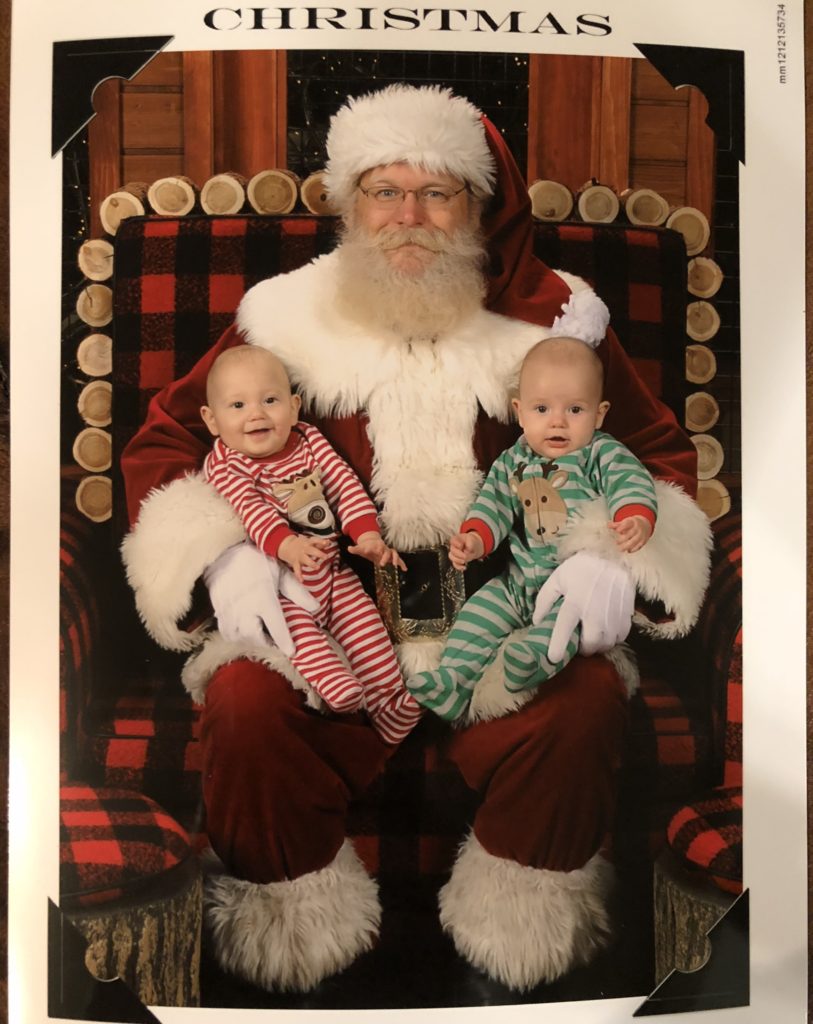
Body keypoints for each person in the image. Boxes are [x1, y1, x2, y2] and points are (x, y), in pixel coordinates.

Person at [120, 83, 711, 994]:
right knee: (242, 704)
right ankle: (291, 966)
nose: (408, 216)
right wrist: (225, 554)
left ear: (478, 207)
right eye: (382, 191)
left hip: (503, 626)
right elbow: (165, 441)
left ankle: (519, 970)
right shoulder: (285, 317)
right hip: (331, 616)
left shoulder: (555, 324)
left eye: (436, 192)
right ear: (348, 205)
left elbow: (660, 456)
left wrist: (613, 557)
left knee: (588, 698)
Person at [408, 336, 657, 721]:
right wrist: (475, 538)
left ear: (600, 414)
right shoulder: (513, 462)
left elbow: (630, 481)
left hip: (573, 586)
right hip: (517, 583)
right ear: (520, 412)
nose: (557, 421)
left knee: (566, 625)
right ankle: (453, 681)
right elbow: (493, 505)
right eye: (542, 408)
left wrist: (635, 516)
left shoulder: (599, 453)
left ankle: (532, 660)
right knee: (478, 614)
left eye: (575, 409)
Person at [200, 345, 421, 744]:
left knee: (367, 631)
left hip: (333, 571)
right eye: (237, 405)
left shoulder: (309, 440)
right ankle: (335, 684)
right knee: (296, 631)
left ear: (295, 406)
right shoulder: (226, 463)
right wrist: (287, 547)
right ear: (212, 421)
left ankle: (390, 704)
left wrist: (367, 533)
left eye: (270, 400)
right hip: (282, 580)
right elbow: (251, 510)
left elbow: (343, 486)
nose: (256, 414)